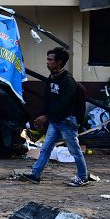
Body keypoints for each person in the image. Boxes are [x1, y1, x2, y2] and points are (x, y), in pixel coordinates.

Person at [20, 47, 88, 187]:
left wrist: (46, 116)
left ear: (59, 62)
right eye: (48, 59)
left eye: (51, 60)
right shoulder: (51, 79)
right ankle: (35, 175)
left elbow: (63, 104)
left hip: (67, 121)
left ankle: (82, 177)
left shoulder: (68, 82)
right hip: (55, 121)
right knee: (45, 148)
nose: (48, 62)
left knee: (74, 150)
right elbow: (49, 101)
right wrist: (44, 116)